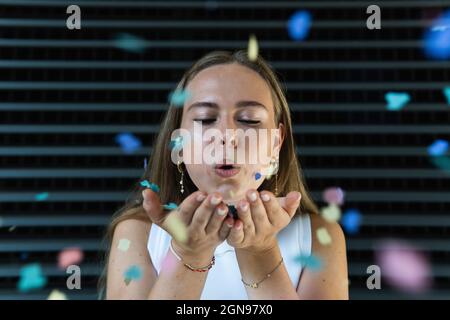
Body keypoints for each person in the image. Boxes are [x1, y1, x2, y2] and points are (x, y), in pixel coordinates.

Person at [100, 50, 348, 300]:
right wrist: (190, 256)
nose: (227, 135)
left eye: (249, 121)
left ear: (276, 142)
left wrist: (260, 252)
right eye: (205, 119)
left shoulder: (320, 237)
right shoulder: (138, 233)